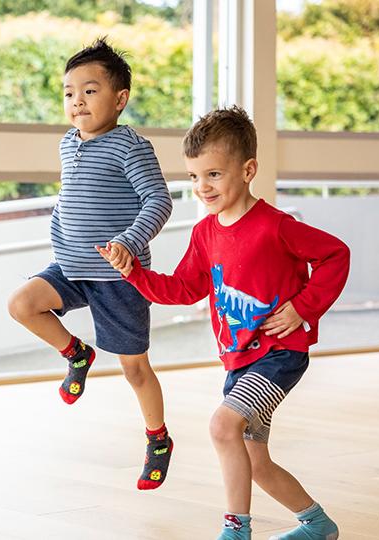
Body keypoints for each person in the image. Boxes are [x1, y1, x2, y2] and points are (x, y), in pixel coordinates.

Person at [98, 105, 349, 539]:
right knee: (255, 462)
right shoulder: (205, 233)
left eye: (213, 174)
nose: (202, 186)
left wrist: (303, 308)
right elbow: (183, 289)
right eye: (194, 176)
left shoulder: (276, 226)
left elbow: (335, 255)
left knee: (221, 425)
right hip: (238, 362)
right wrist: (134, 272)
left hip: (279, 355)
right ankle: (317, 525)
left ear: (248, 170)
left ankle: (236, 531)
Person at [7, 38, 174, 490]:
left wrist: (128, 242)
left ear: (120, 99)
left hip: (118, 276)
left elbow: (158, 200)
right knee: (22, 304)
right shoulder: (68, 143)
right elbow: (72, 197)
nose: (77, 100)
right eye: (69, 92)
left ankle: (158, 440)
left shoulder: (130, 146)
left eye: (90, 90)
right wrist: (60, 231)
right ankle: (76, 353)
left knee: (134, 369)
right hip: (71, 267)